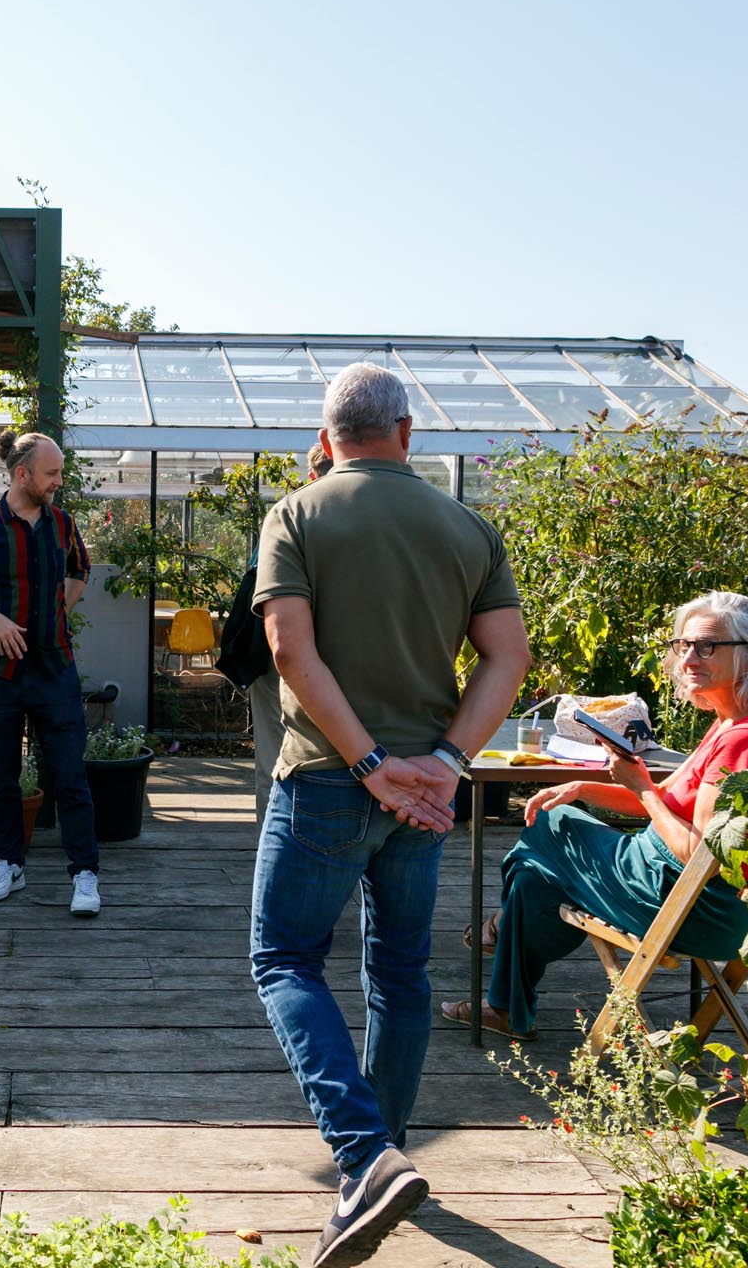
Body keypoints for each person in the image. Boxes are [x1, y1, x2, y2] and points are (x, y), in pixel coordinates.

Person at [251, 364, 530, 1268]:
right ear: (408, 434)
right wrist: (447, 762)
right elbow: (506, 658)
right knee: (400, 975)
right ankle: (383, 1158)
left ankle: (367, 1155)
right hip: (426, 795)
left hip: (333, 778)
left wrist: (368, 762)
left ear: (327, 437)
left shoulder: (297, 515)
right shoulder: (467, 526)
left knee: (285, 958)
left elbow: (290, 651)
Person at [441, 590, 748, 1042]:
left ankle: (498, 934)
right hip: (699, 896)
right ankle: (503, 1005)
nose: (691, 657)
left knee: (552, 827)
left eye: (709, 646)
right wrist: (582, 787)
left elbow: (700, 851)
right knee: (536, 880)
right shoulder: (745, 722)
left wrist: (638, 788)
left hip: (692, 906)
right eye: (684, 645)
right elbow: (663, 799)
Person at [0, 430, 102, 917]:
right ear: (21, 474)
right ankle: (9, 864)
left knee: (71, 775)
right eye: (51, 473)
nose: (58, 481)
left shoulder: (63, 525)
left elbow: (80, 570)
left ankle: (84, 874)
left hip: (54, 666)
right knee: (2, 776)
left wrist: (58, 609)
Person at [219, 443, 333, 822]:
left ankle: (271, 849)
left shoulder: (286, 516)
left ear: (312, 474)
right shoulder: (359, 518)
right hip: (323, 658)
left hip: (271, 655)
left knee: (273, 750)